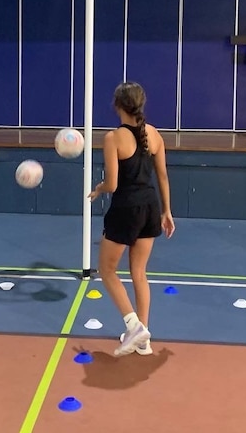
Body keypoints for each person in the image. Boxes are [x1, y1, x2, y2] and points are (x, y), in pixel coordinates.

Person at [89, 81, 175, 356]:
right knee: (139, 272)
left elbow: (113, 185)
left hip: (126, 208)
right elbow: (162, 175)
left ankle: (133, 324)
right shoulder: (155, 135)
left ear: (117, 106)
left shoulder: (113, 138)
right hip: (150, 206)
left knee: (107, 270)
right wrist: (166, 211)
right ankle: (144, 338)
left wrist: (98, 188)